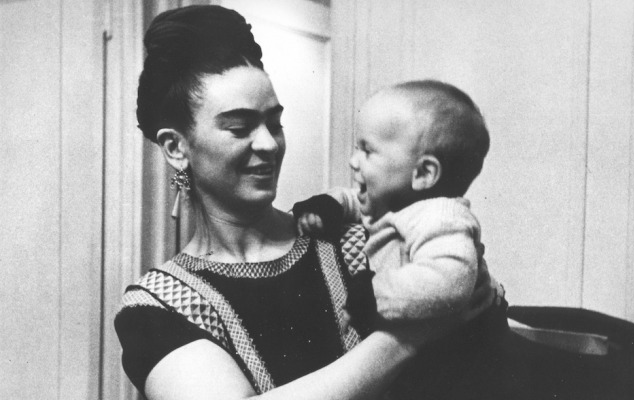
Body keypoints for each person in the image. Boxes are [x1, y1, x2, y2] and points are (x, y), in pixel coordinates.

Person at [114, 6, 499, 400]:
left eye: (274, 123)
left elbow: (476, 314)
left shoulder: (356, 239)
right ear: (176, 148)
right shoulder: (159, 305)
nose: (269, 144)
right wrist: (409, 337)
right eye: (240, 128)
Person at [294, 80, 514, 399]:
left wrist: (374, 296)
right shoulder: (399, 207)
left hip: (467, 362)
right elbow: (356, 201)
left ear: (423, 174)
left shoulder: (441, 216)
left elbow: (450, 279)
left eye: (367, 150)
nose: (353, 161)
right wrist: (329, 205)